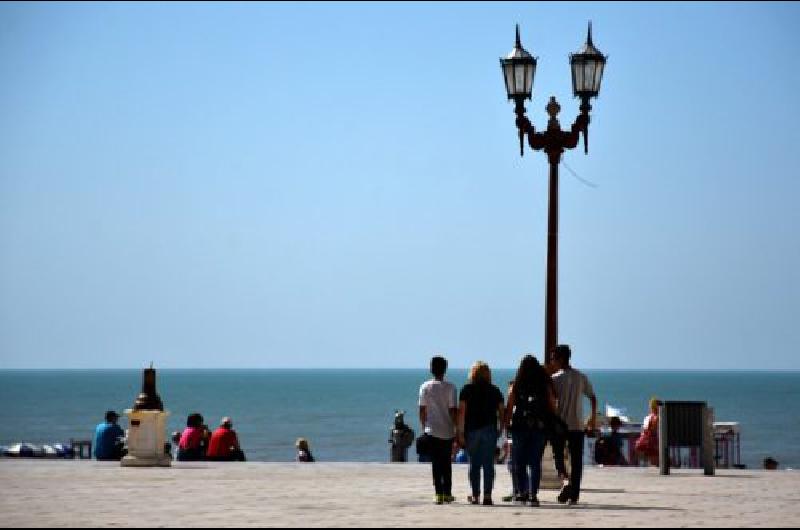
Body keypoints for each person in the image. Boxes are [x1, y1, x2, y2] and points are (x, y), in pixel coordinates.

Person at [503, 355, 557, 507]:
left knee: (518, 462)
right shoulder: (544, 385)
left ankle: (522, 492)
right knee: (535, 462)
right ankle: (533, 495)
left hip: (520, 427)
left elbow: (509, 407)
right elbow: (552, 405)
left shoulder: (516, 385)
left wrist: (506, 425)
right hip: (539, 428)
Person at [550, 344, 598, 506]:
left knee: (558, 457)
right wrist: (592, 418)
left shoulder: (555, 379)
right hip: (577, 424)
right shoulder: (580, 377)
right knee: (577, 461)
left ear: (561, 358)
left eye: (554, 358)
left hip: (561, 425)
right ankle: (574, 494)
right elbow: (592, 397)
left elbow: (551, 402)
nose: (552, 361)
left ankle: (566, 482)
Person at [458, 361, 505, 506]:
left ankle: (475, 495)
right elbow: (502, 412)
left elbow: (462, 413)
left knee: (474, 464)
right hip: (490, 430)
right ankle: (487, 496)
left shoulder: (466, 390)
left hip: (471, 430)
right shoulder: (495, 390)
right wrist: (501, 428)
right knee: (489, 464)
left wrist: (459, 432)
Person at [418, 356, 457, 505]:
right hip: (447, 430)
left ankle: (438, 493)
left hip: (431, 429)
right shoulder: (451, 387)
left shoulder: (425, 386)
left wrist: (424, 425)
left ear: (431, 369)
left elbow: (422, 409)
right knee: (446, 462)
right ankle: (447, 493)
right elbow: (453, 409)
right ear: (445, 369)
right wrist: (456, 428)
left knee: (436, 463)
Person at [635, 398, 660, 466]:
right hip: (654, 443)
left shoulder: (647, 418)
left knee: (653, 460)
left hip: (646, 443)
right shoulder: (659, 418)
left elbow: (643, 431)